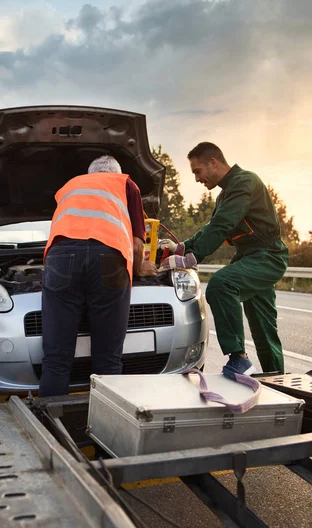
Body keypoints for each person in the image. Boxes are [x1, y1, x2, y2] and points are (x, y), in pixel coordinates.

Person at [159, 142, 288, 376]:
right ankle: (278, 379)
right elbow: (210, 227)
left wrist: (189, 258)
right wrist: (182, 246)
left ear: (213, 162)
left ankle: (239, 359)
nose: (197, 179)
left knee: (220, 284)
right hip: (249, 257)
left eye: (197, 171)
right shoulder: (225, 195)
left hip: (268, 256)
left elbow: (222, 225)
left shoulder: (245, 182)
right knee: (263, 327)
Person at [39, 155, 156, 397]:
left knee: (56, 359)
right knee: (108, 359)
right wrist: (140, 269)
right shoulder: (125, 184)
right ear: (116, 172)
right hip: (109, 257)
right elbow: (135, 244)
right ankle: (109, 425)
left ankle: (49, 425)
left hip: (62, 257)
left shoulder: (69, 187)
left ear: (90, 174)